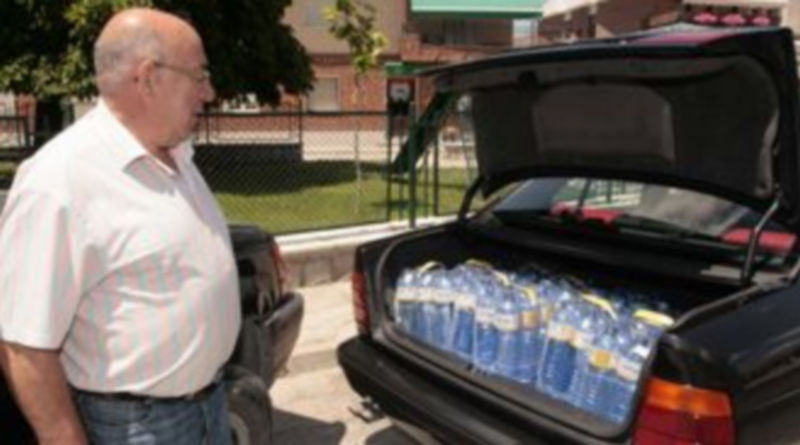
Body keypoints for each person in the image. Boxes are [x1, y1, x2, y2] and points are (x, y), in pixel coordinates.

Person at [0, 7, 241, 445]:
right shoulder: (59, 180)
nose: (209, 91)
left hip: (210, 405)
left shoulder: (178, 156)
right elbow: (24, 344)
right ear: (149, 76)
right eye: (199, 75)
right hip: (137, 427)